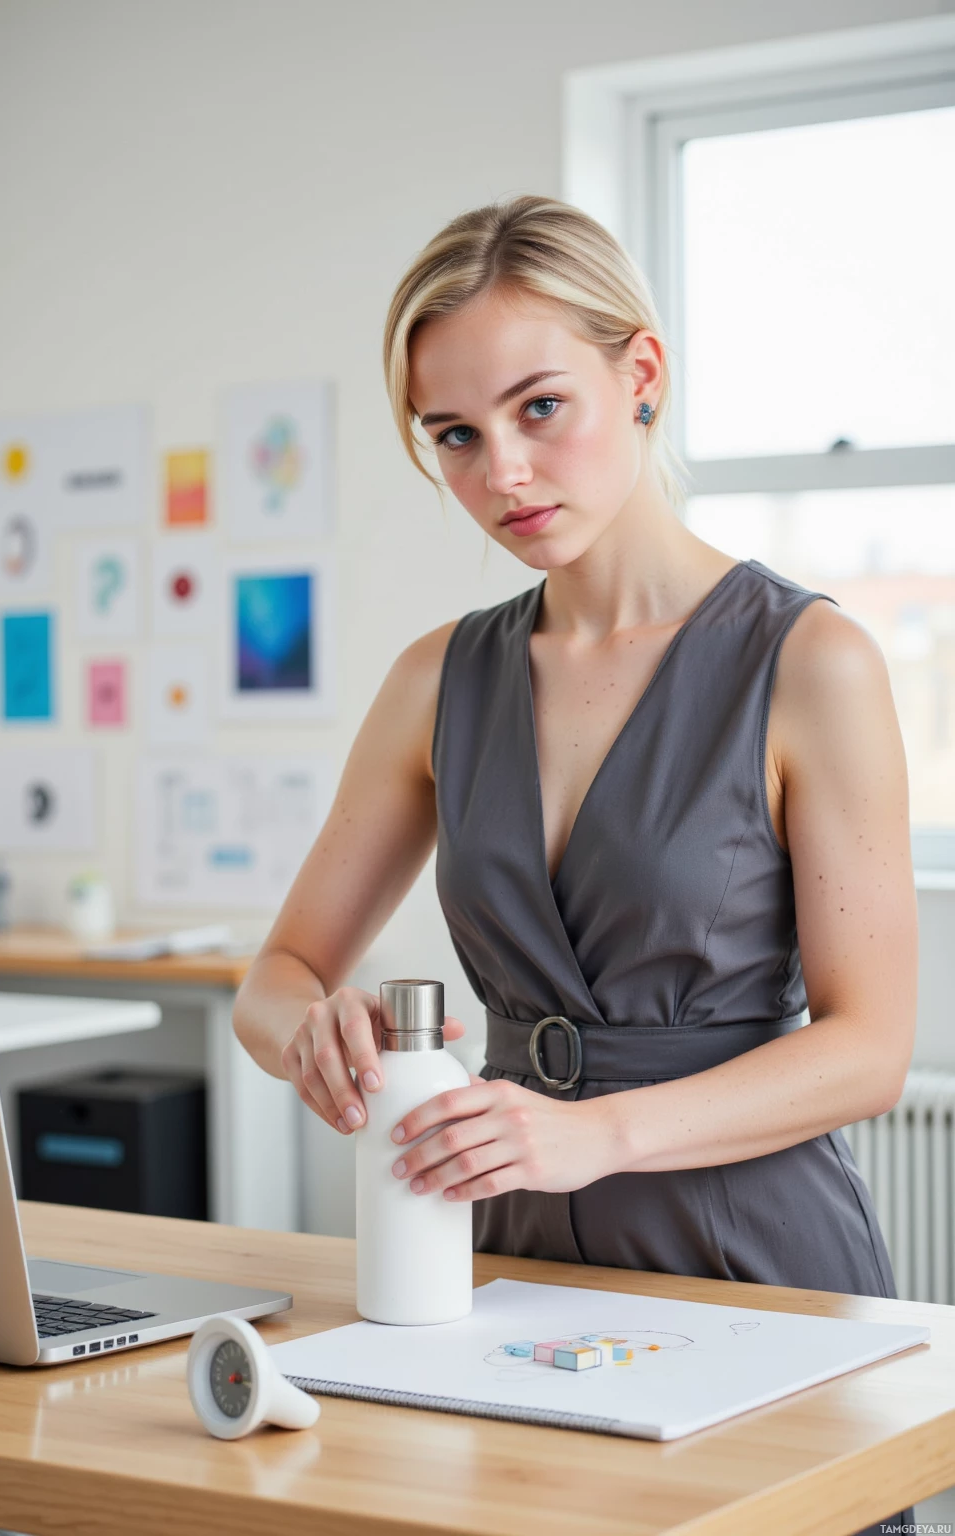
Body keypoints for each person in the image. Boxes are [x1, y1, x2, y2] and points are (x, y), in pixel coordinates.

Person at [233, 196, 917, 1535]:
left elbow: (869, 1049)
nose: (502, 473)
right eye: (456, 437)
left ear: (641, 376)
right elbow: (278, 973)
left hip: (753, 1265)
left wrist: (586, 1135)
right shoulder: (438, 678)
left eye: (540, 408)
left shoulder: (809, 663)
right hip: (504, 1266)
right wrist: (305, 1030)